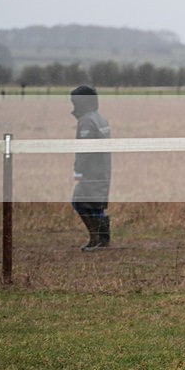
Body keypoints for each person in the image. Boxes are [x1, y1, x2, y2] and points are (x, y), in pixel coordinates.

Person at [70, 85, 112, 251]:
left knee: (80, 202)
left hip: (91, 170)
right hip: (103, 168)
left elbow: (85, 149)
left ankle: (96, 238)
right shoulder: (100, 118)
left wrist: (78, 170)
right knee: (96, 204)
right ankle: (103, 238)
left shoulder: (87, 120)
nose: (73, 105)